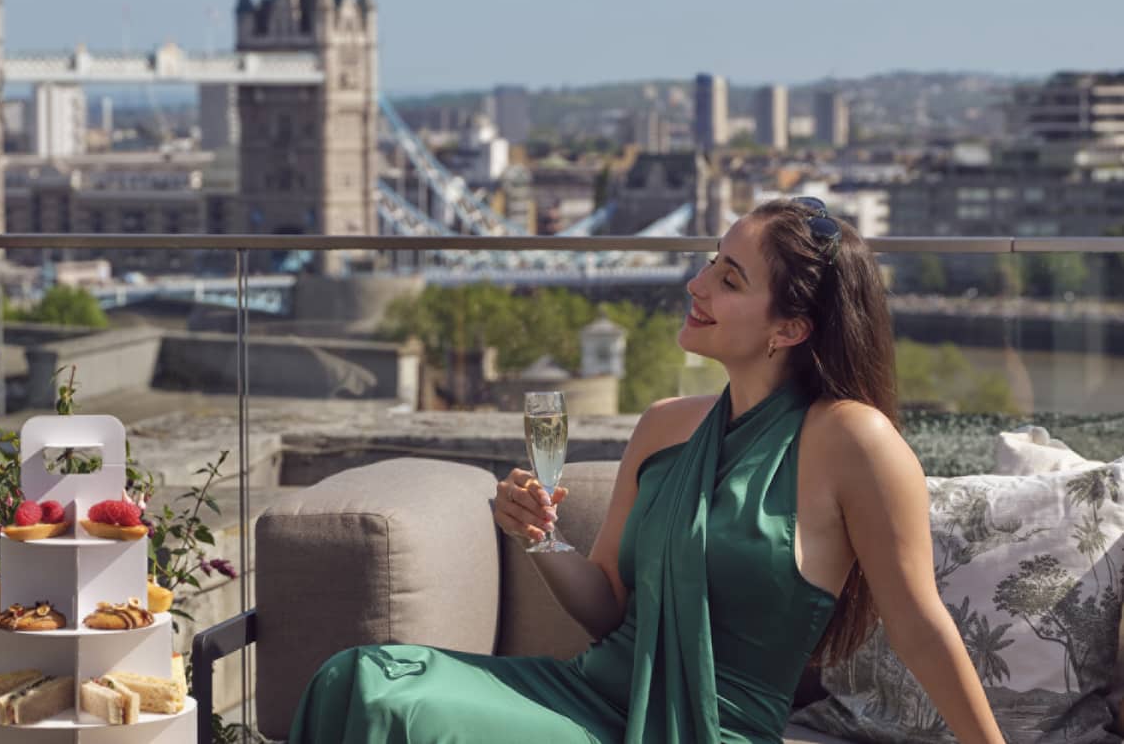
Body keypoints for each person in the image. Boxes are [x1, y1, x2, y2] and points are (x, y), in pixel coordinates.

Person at [287, 199, 1004, 743]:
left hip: (703, 727)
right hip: (590, 691)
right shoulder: (666, 424)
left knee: (395, 711)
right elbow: (606, 604)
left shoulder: (854, 440)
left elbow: (919, 624)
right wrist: (541, 536)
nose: (695, 284)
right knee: (362, 676)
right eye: (707, 262)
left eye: (728, 278)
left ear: (789, 328)